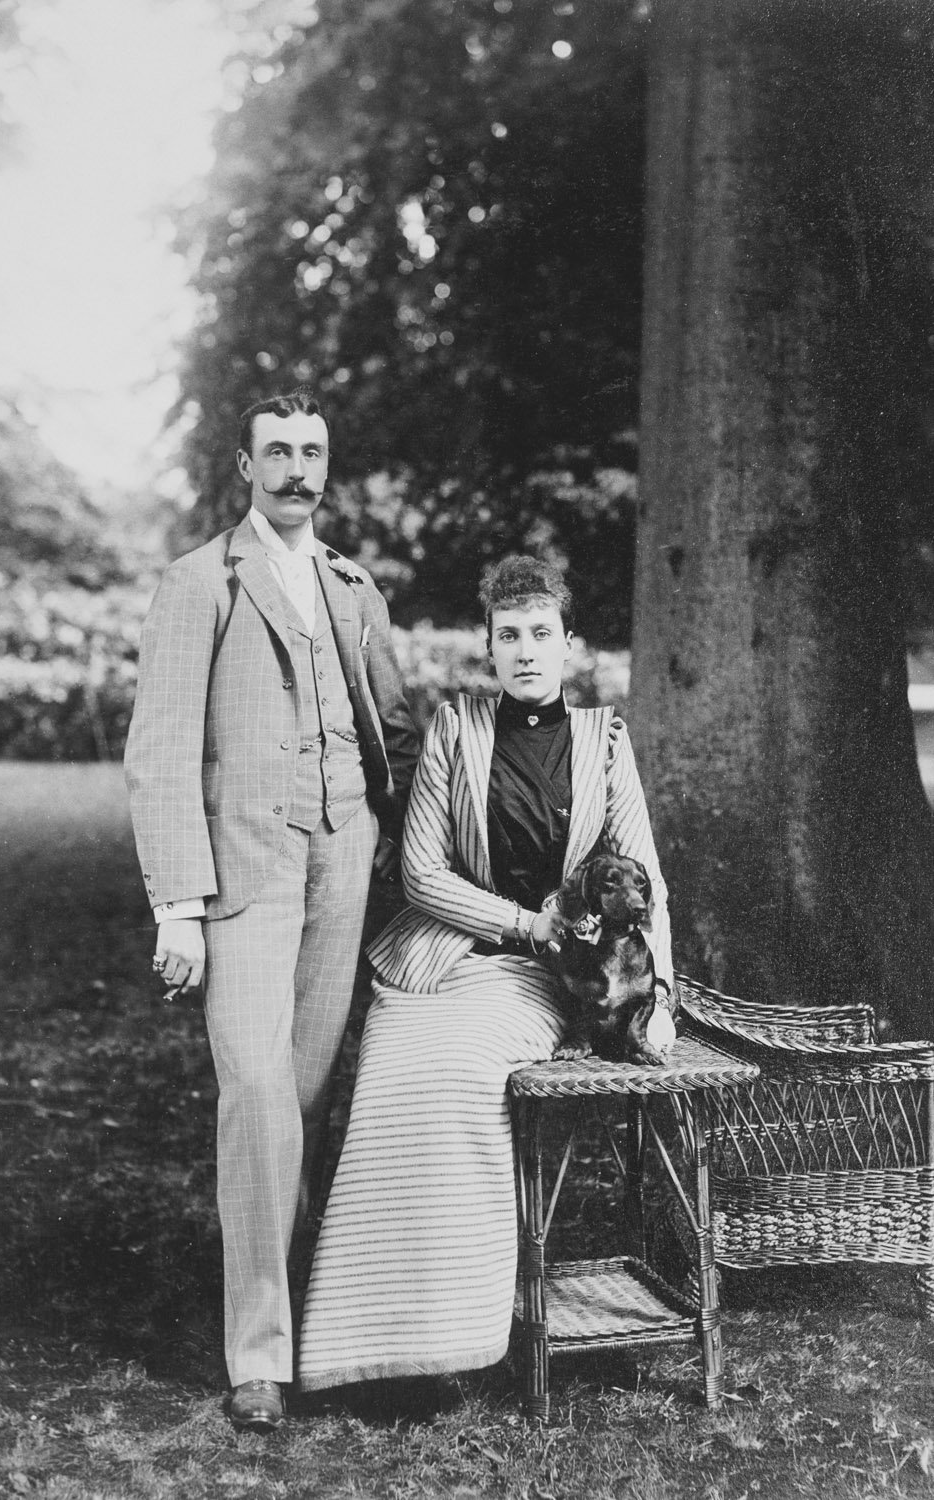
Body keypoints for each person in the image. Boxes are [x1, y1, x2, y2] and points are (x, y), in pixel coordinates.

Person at [297, 554, 674, 1393]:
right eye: (509, 636)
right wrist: (520, 919)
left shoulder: (604, 742)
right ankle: (360, 1344)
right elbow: (421, 874)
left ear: (569, 643)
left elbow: (645, 875)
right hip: (436, 957)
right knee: (389, 1072)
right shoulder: (454, 730)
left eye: (542, 633)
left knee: (458, 1073)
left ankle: (454, 1338)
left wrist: (659, 1007)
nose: (526, 651)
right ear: (491, 647)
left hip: (544, 978)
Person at [124, 387, 419, 1432]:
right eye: (279, 452)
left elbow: (395, 728)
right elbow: (160, 749)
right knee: (254, 1090)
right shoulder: (199, 582)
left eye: (313, 452)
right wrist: (177, 905)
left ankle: (312, 1323)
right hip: (243, 870)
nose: (298, 470)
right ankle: (257, 1355)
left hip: (343, 862)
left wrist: (404, 849)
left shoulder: (352, 586)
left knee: (304, 1095)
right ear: (246, 468)